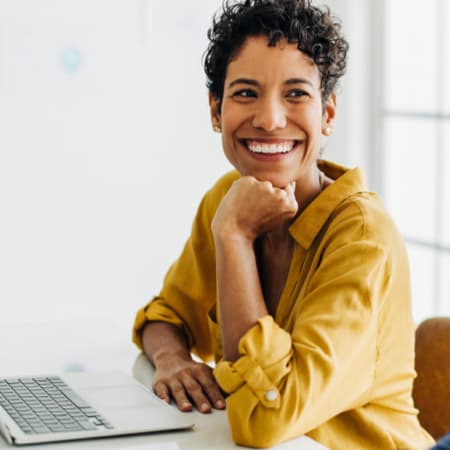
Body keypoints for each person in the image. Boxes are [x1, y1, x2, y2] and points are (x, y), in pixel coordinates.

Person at [132, 0, 435, 448]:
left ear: (327, 113)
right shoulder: (227, 198)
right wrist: (173, 358)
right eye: (245, 93)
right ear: (216, 110)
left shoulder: (362, 237)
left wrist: (234, 238)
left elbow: (266, 419)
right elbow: (166, 316)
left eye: (296, 94)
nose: (271, 119)